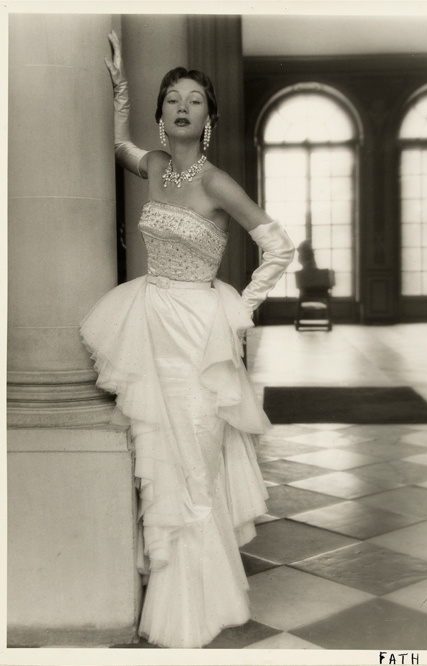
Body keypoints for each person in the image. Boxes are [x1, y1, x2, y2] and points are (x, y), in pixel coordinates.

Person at [80, 31, 295, 649]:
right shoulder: (153, 166)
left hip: (198, 331)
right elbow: (120, 146)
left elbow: (279, 245)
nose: (181, 107)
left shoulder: (216, 181)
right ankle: (175, 596)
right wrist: (118, 87)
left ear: (209, 117)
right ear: (160, 113)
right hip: (149, 322)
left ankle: (203, 605)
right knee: (162, 462)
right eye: (172, 98)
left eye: (194, 99)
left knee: (197, 464)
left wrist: (243, 309)